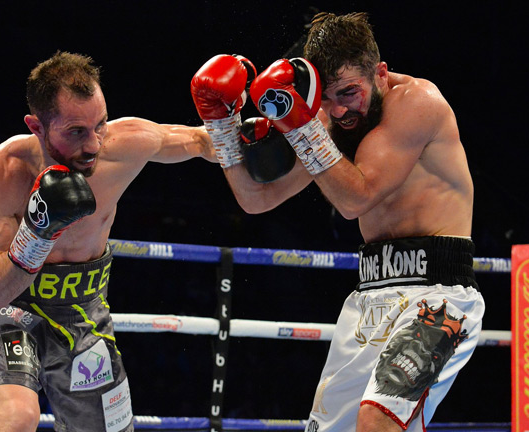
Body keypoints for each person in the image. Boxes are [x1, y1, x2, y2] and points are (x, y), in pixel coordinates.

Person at [190, 12, 485, 432]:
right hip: (369, 297)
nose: (340, 109)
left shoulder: (417, 103)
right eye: (326, 99)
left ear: (380, 73)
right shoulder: (325, 118)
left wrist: (302, 123)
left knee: (375, 422)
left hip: (437, 298)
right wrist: (221, 127)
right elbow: (255, 199)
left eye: (349, 92)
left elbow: (356, 198)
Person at [0, 51, 215, 432]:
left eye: (100, 125)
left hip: (82, 309)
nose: (95, 144)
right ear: (37, 126)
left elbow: (201, 141)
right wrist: (37, 231)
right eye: (76, 132)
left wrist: (243, 129)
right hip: (11, 310)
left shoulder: (124, 144)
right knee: (18, 418)